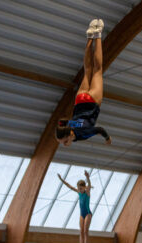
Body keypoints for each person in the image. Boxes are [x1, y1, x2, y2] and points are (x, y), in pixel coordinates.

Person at [56, 19, 111, 147]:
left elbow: (99, 130)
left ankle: (97, 34)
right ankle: (90, 36)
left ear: (70, 135)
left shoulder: (81, 133)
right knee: (87, 71)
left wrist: (107, 138)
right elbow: (63, 122)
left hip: (92, 101)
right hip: (80, 99)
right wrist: (64, 125)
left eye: (64, 141)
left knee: (97, 70)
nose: (64, 144)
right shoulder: (73, 125)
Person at [58, 170, 93, 243]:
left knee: (85, 231)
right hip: (82, 214)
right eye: (78, 188)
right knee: (81, 231)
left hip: (88, 214)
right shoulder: (78, 192)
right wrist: (61, 179)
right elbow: (69, 186)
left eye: (81, 188)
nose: (79, 190)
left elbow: (89, 184)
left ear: (84, 187)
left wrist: (88, 178)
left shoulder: (87, 192)